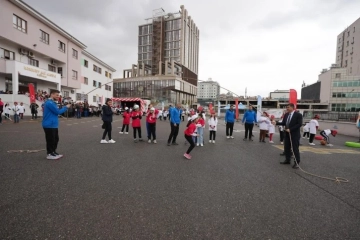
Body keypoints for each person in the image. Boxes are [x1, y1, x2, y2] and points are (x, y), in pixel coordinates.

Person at [42, 90, 71, 160]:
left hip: (53, 124)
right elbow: (57, 112)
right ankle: (49, 154)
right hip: (49, 124)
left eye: (58, 95)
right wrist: (66, 107)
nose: (58, 97)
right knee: (50, 140)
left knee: (55, 139)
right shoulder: (49, 103)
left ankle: (53, 152)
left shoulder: (52, 103)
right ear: (52, 94)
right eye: (57, 95)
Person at [276, 103, 303, 169]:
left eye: (288, 107)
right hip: (287, 134)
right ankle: (287, 160)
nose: (287, 108)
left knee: (295, 149)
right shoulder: (286, 115)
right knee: (287, 148)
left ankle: (297, 162)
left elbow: (299, 124)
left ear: (292, 107)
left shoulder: (298, 115)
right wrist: (276, 123)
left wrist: (290, 129)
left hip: (294, 135)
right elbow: (284, 123)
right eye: (286, 107)